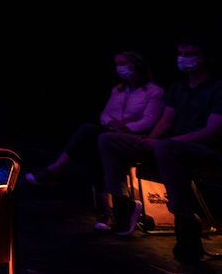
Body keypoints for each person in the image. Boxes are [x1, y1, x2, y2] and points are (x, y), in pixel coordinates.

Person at [98, 39, 222, 263]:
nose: (183, 58)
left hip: (205, 150)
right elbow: (166, 120)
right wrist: (151, 140)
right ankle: (121, 206)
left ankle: (186, 225)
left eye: (190, 53)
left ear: (205, 57)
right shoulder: (178, 87)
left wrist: (166, 142)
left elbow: (212, 131)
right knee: (108, 139)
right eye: (180, 53)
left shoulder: (218, 89)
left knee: (166, 148)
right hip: (170, 146)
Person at [25, 51, 164, 230]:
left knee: (89, 132)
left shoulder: (154, 92)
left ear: (137, 65)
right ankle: (111, 211)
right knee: (95, 144)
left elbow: (150, 120)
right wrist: (111, 123)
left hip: (135, 137)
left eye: (123, 63)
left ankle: (56, 170)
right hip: (110, 135)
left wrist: (127, 128)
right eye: (117, 64)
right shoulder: (117, 90)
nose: (119, 68)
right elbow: (105, 114)